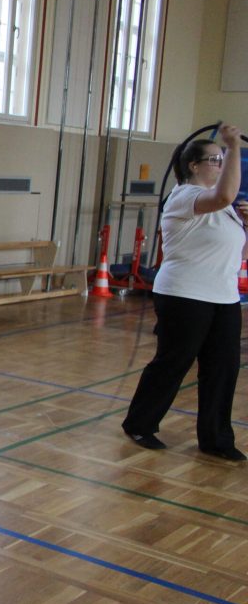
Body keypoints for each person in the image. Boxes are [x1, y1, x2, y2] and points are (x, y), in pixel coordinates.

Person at [121, 123, 248, 462]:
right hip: (184, 294)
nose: (220, 165)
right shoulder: (185, 196)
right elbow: (224, 194)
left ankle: (216, 440)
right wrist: (234, 147)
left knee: (223, 367)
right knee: (174, 362)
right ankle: (140, 424)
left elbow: (237, 253)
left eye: (222, 159)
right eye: (215, 160)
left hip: (224, 297)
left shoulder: (223, 207)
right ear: (193, 165)